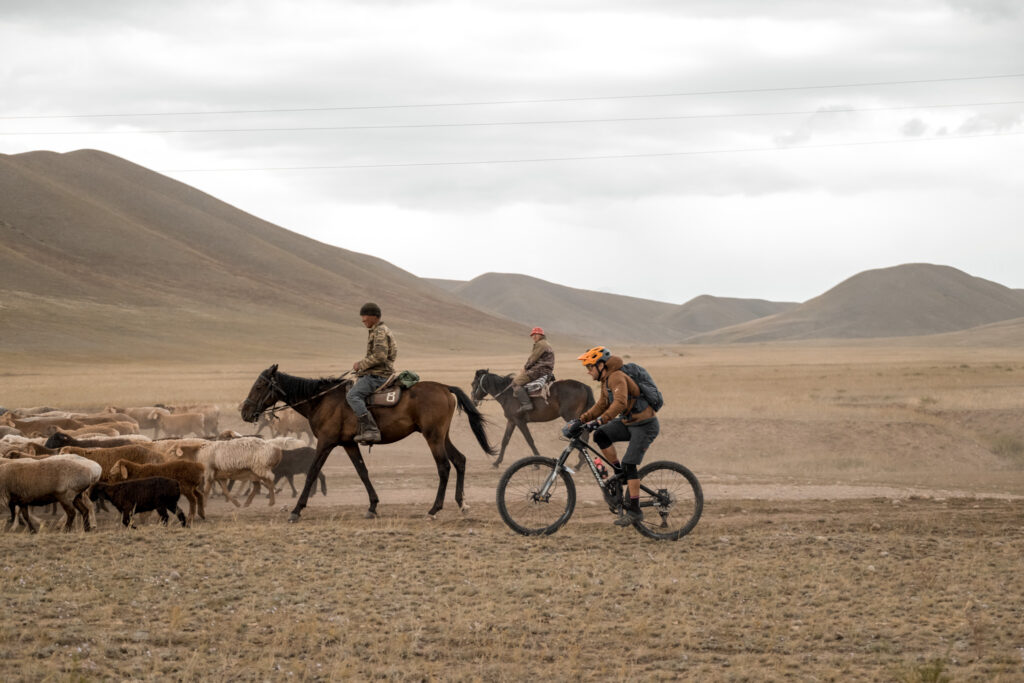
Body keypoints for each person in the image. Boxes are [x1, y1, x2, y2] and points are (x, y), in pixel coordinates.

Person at [571, 346, 659, 526]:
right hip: (629, 423)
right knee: (601, 435)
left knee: (630, 463)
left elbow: (619, 403)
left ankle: (635, 511)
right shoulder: (606, 380)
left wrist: (599, 421)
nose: (588, 372)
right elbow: (601, 405)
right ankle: (620, 475)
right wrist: (581, 420)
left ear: (601, 365)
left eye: (589, 367)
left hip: (645, 425)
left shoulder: (616, 377)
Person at [346, 302, 398, 444]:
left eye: (365, 316)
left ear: (374, 317)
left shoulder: (379, 331)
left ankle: (371, 429)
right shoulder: (379, 329)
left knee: (353, 395)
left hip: (379, 375)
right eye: (362, 316)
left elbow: (380, 356)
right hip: (378, 372)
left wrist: (361, 364)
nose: (363, 319)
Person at [511, 327, 555, 415]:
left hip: (539, 370)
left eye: (536, 334)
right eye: (533, 335)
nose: (534, 336)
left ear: (541, 335)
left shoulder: (541, 344)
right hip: (545, 370)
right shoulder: (545, 343)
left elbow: (533, 359)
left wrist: (525, 368)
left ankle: (527, 404)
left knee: (515, 382)